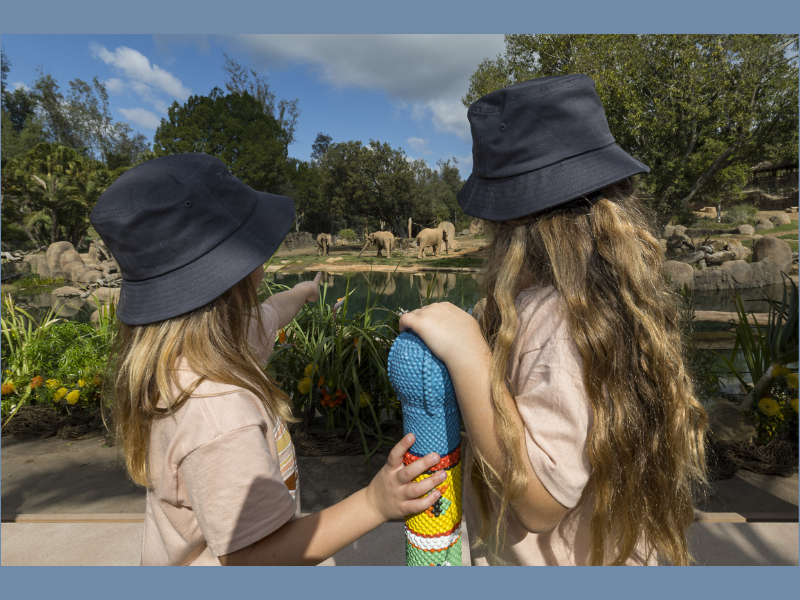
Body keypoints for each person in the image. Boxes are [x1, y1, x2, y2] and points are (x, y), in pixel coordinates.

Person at [400, 74, 708, 566]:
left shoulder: (555, 321)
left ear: (511, 228)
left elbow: (541, 504)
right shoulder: (603, 304)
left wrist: (467, 353)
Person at [91, 153, 446, 566]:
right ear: (238, 269)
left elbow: (270, 314)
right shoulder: (219, 415)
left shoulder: (203, 350)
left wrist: (302, 292)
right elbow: (255, 558)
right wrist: (374, 502)